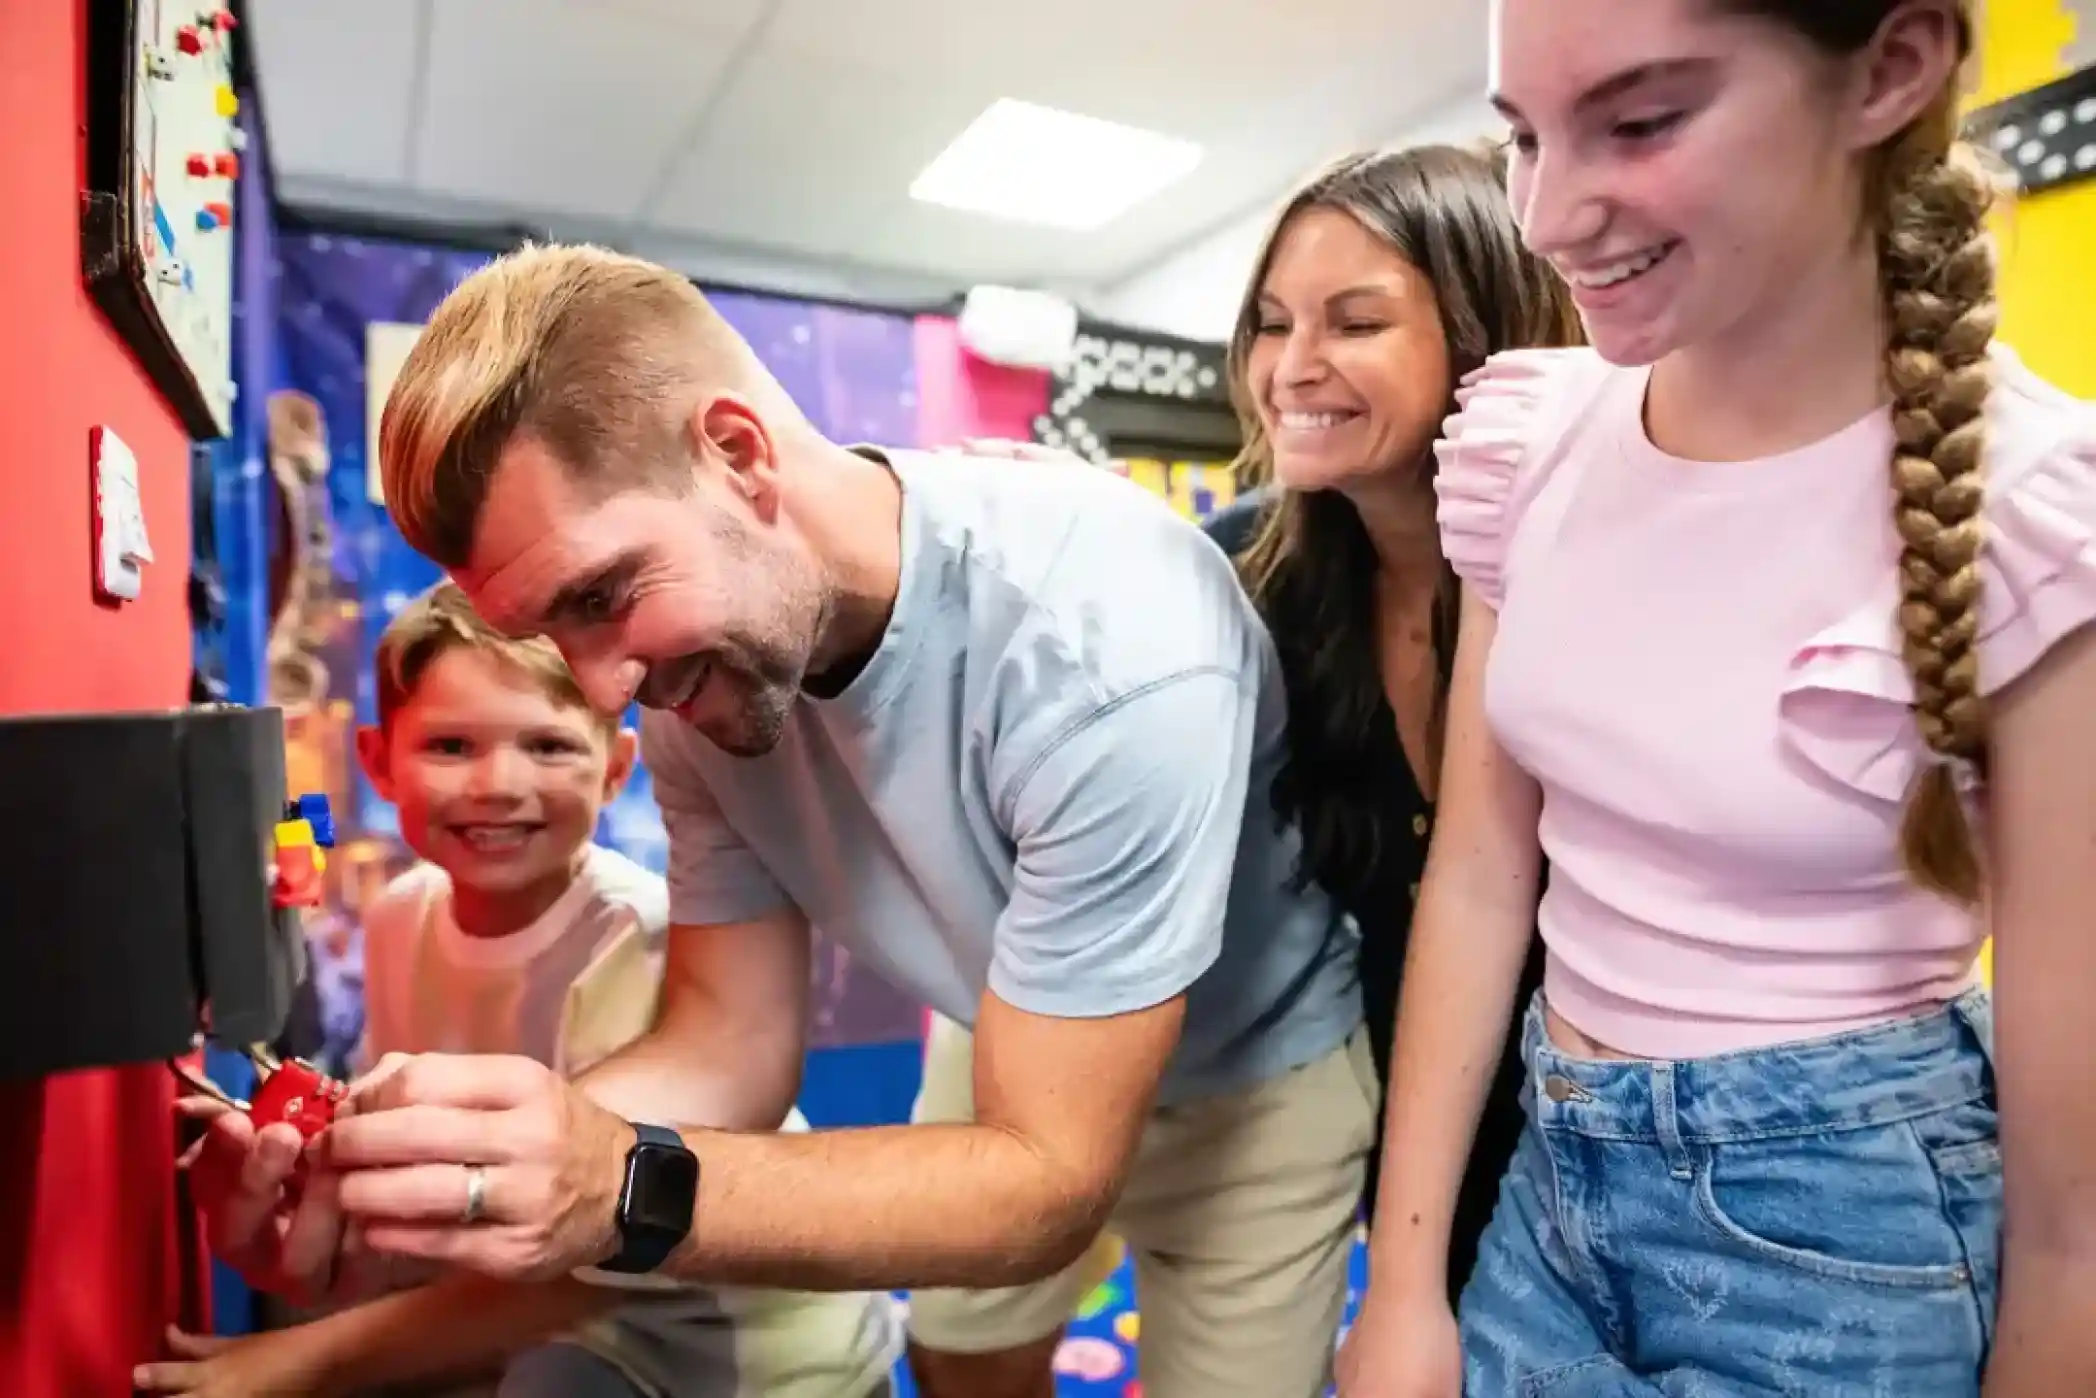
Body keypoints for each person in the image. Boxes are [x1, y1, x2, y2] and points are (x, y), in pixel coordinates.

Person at [190, 242, 1372, 1398]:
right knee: (959, 1356)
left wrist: (619, 1183)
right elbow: (727, 1042)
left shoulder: (1109, 645)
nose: (601, 690)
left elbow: (1044, 1180)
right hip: (1008, 1012)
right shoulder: (688, 677)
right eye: (555, 633)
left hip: (1251, 1076)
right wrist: (441, 1164)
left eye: (603, 597)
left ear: (737, 454)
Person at [1338, 2, 2096, 1395]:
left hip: (1845, 1224)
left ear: (1890, 69)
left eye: (1639, 121)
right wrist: (1402, 1284)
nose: (1550, 215)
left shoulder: (2038, 516)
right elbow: (1483, 874)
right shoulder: (1535, 434)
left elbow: (2077, 1225)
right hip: (1551, 1179)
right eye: (1521, 137)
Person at [148, 581, 897, 1398]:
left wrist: (306, 1361)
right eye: (451, 747)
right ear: (378, 763)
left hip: (750, 1354)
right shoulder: (400, 919)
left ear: (614, 771)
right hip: (558, 1327)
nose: (498, 785)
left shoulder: (634, 941)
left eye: (547, 747)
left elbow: (574, 1258)